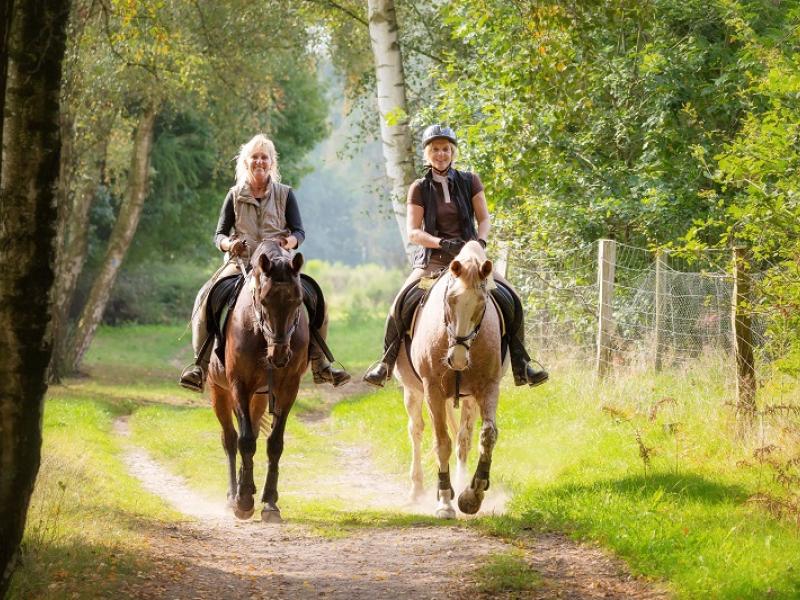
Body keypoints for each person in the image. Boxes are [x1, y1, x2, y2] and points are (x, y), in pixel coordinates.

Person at [362, 124, 548, 388]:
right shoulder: (418, 187)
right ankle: (385, 363)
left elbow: (484, 219)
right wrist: (440, 243)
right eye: (436, 149)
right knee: (400, 302)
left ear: (453, 152)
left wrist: (479, 242)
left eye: (446, 149)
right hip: (433, 262)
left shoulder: (470, 180)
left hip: (471, 261)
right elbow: (414, 232)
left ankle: (522, 363)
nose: (441, 154)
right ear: (427, 154)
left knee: (512, 298)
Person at [179, 133, 350, 392]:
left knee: (316, 299)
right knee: (205, 297)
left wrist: (289, 243)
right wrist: (229, 245)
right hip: (242, 264)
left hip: (278, 266)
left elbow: (299, 231)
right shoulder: (234, 195)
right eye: (254, 157)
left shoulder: (285, 194)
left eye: (264, 157)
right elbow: (219, 234)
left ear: (272, 163)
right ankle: (199, 366)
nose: (259, 162)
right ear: (246, 163)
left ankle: (320, 362)